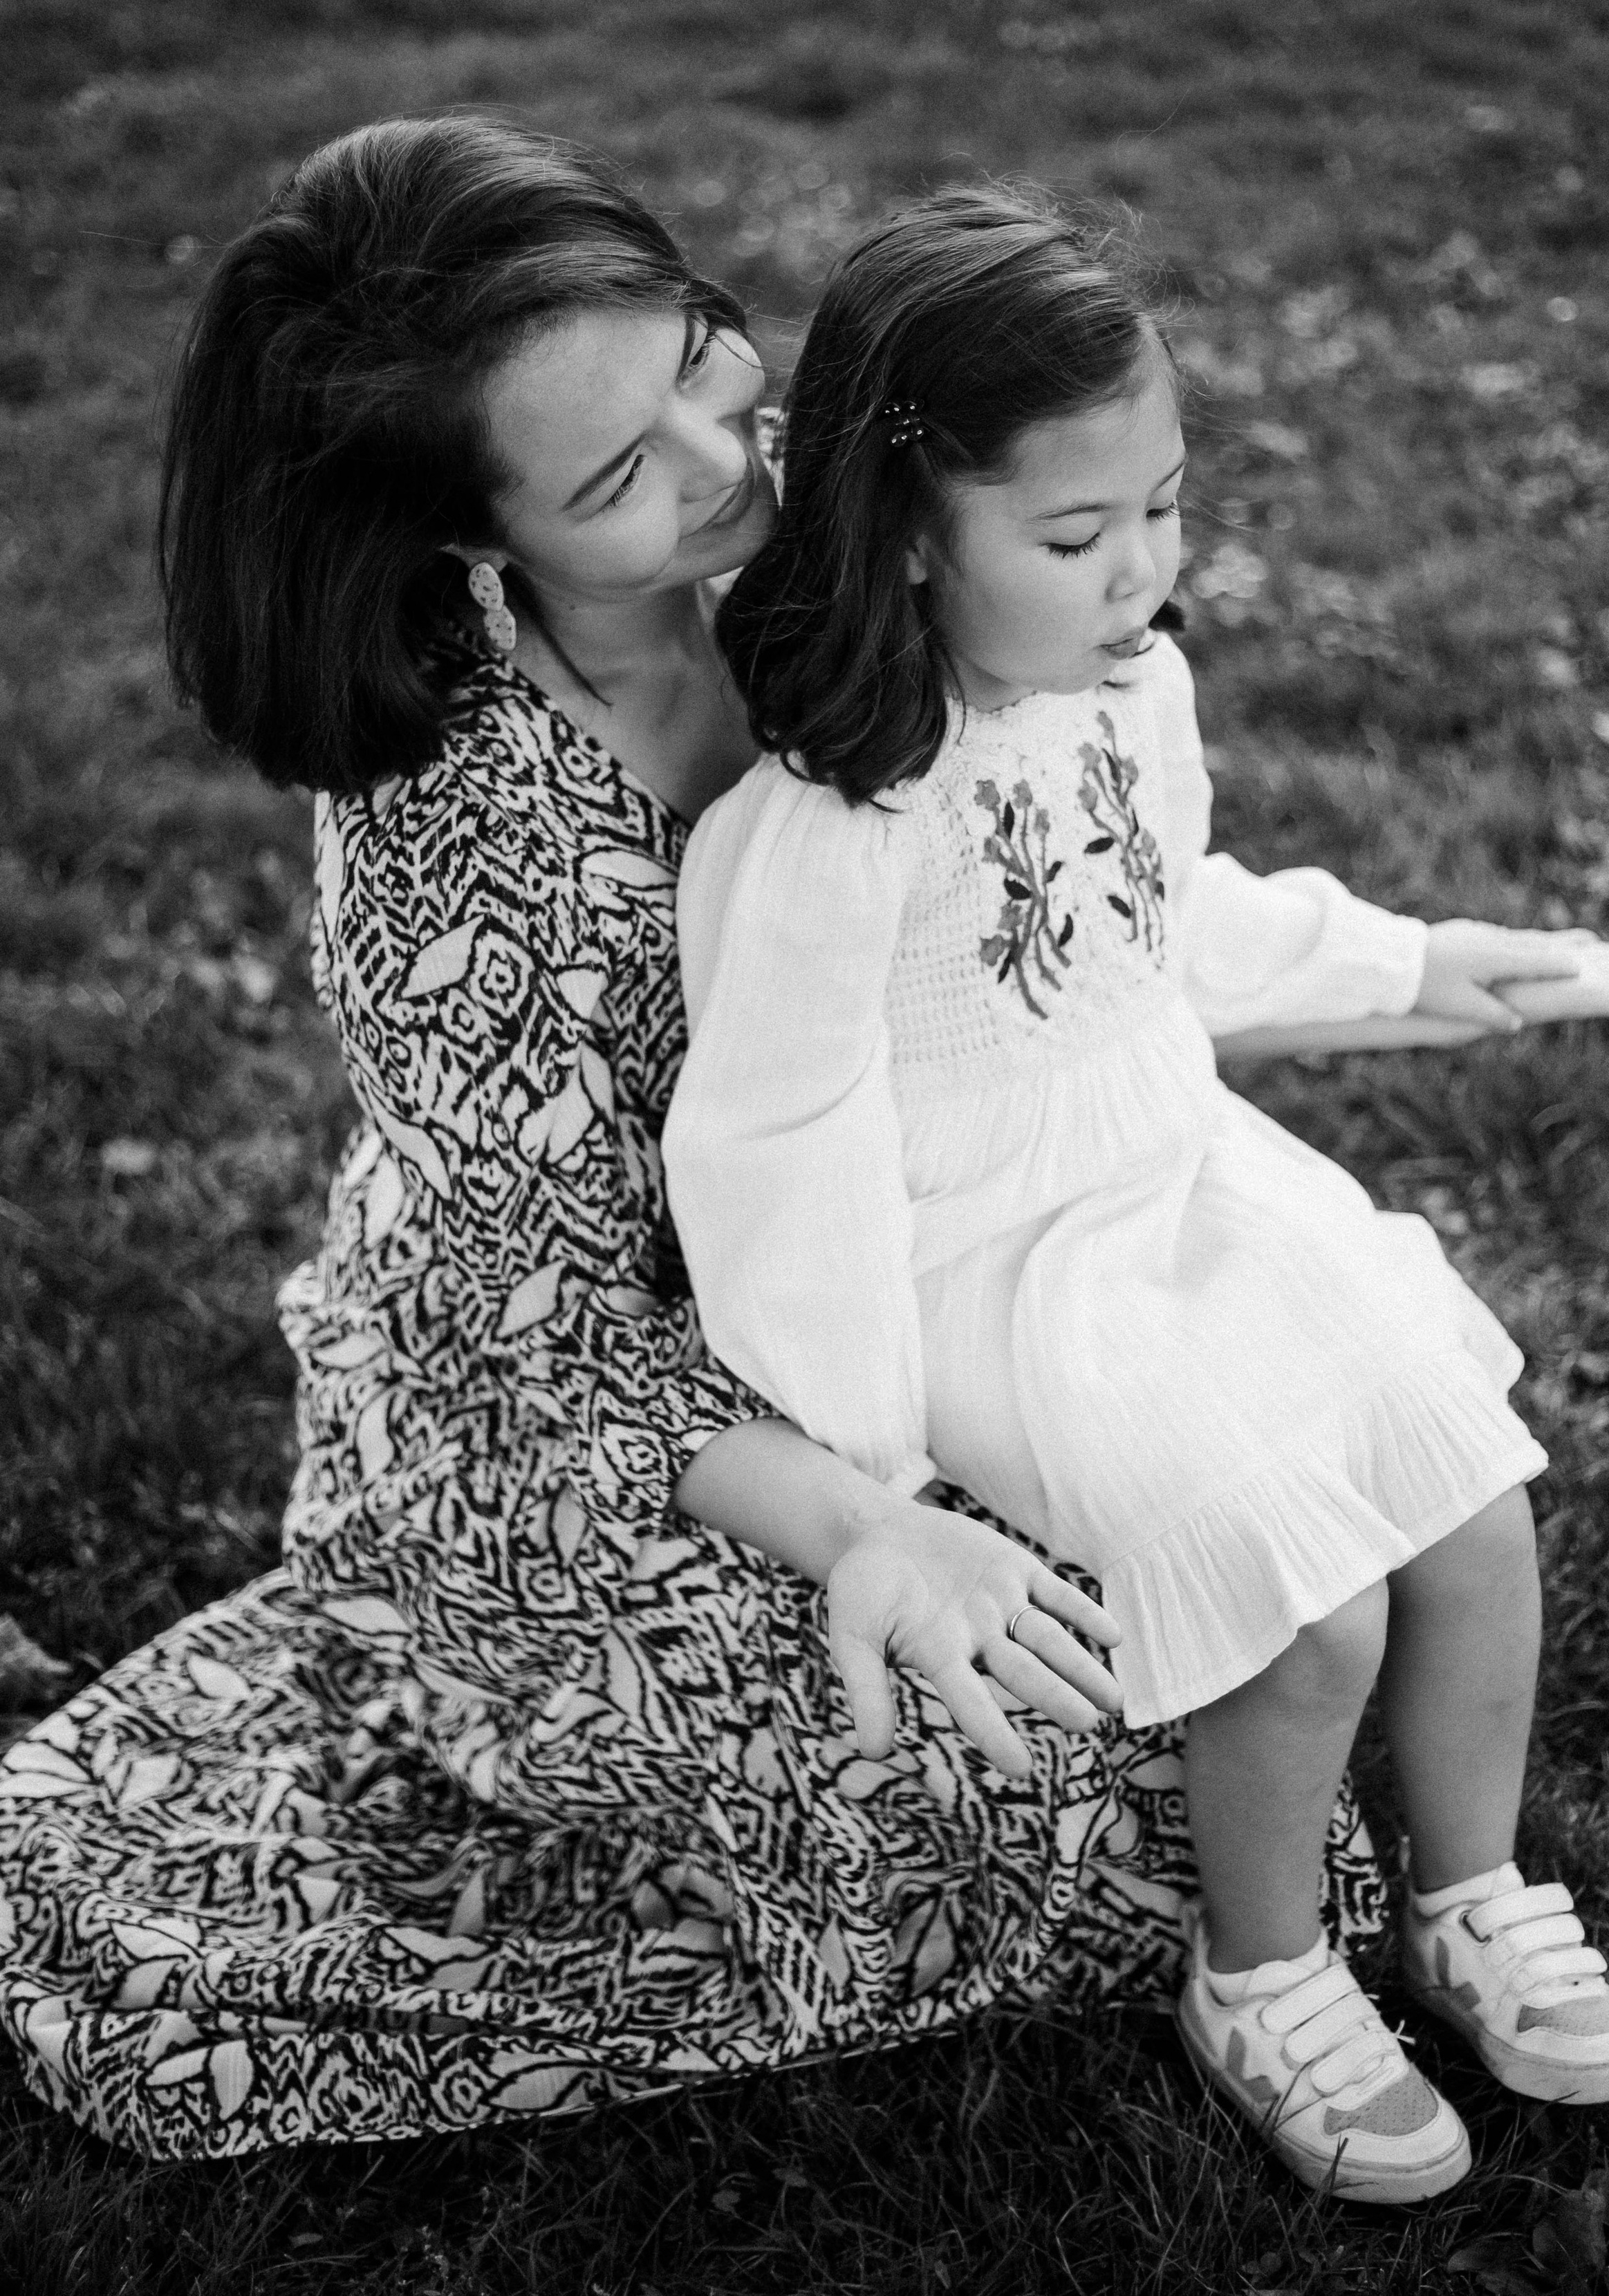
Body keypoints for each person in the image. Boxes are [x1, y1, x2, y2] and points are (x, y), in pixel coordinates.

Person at [0, 117, 1400, 2162]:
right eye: (616, 473)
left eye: (694, 352)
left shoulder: (816, 565)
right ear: (468, 539)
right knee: (1048, 1764)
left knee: (1261, 1614)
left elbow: (1059, 865)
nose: (722, 453)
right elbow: (544, 1331)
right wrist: (858, 1522)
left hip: (906, 1272)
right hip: (595, 1408)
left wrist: (1380, 964)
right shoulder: (460, 850)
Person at [662, 187, 1609, 2205]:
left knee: (1473, 1489)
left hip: (1184, 1171)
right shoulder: (824, 830)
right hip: (998, 1256)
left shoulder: (1130, 697)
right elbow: (774, 1148)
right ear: (912, 538)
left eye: (1165, 508)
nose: (1145, 573)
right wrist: (866, 1470)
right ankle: (1260, 1970)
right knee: (1304, 1611)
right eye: (1078, 539)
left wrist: (1433, 964)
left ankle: (1473, 1889)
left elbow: (1162, 934)